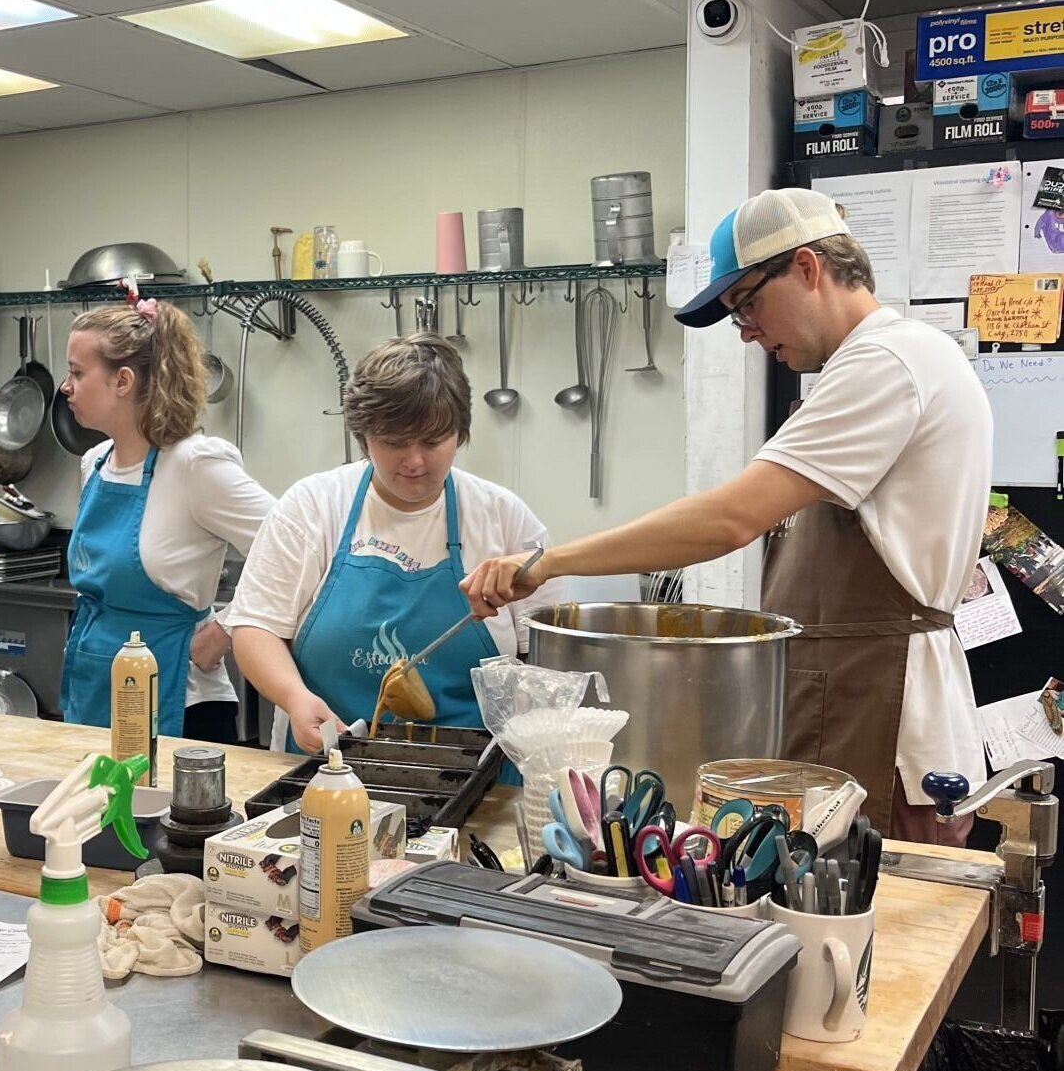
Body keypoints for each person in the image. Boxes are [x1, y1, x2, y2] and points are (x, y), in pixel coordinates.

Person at [464, 189, 992, 843]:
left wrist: (547, 563)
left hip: (887, 727)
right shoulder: (870, 365)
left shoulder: (885, 364)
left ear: (807, 267)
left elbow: (728, 520)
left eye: (747, 304)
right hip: (852, 706)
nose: (744, 331)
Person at [228, 336, 565, 752]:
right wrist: (295, 698)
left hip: (475, 775)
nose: (414, 461)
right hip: (327, 763)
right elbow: (255, 627)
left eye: (432, 441)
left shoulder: (503, 518)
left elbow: (552, 658)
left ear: (459, 433)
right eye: (393, 442)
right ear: (364, 435)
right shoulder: (313, 506)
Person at [59, 294, 272, 742]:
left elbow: (293, 545)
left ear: (123, 381)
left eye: (78, 372)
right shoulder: (95, 463)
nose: (66, 386)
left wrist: (226, 627)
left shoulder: (195, 465)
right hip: (97, 687)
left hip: (182, 704)